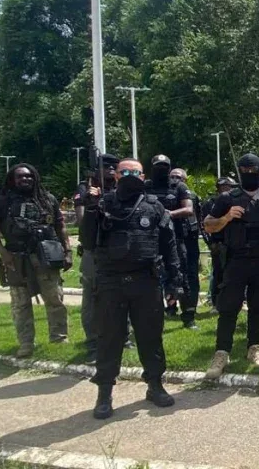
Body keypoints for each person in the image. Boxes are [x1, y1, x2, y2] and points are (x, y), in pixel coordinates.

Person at [79, 158, 183, 419]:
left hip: (145, 282)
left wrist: (174, 281)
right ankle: (104, 393)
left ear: (143, 175)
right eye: (124, 171)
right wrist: (91, 210)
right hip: (111, 282)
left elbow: (169, 245)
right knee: (109, 339)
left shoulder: (154, 206)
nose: (129, 175)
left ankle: (155, 385)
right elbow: (87, 241)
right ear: (115, 175)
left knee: (150, 337)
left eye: (135, 172)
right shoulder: (104, 204)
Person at [202, 154, 259, 376]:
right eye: (245, 170)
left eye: (254, 170)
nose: (250, 174)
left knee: (258, 306)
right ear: (239, 171)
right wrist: (226, 219)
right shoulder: (227, 199)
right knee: (229, 307)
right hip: (236, 260)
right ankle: (221, 353)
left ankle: (254, 348)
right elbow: (208, 225)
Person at [0, 164, 72, 359]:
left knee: (55, 299)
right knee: (21, 304)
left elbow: (60, 226)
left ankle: (59, 337)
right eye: (21, 177)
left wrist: (67, 251)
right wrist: (4, 253)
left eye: (29, 177)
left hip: (47, 257)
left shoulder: (47, 199)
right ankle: (25, 343)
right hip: (16, 259)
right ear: (12, 180)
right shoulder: (2, 201)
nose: (26, 180)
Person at [74, 153, 121, 363]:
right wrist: (93, 202)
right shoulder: (85, 189)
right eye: (106, 166)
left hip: (119, 250)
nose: (110, 170)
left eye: (114, 166)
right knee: (92, 298)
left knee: (123, 295)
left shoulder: (123, 188)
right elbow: (83, 225)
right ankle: (93, 343)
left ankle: (124, 337)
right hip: (94, 250)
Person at [143, 154, 197, 328]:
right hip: (150, 239)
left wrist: (167, 214)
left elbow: (188, 209)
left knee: (181, 276)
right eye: (158, 166)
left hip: (175, 238)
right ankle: (153, 315)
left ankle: (188, 317)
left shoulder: (178, 186)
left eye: (165, 167)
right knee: (149, 277)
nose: (162, 169)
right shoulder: (146, 187)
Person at [169, 168, 203, 324]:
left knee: (190, 274)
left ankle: (190, 308)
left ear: (185, 180)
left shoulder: (192, 197)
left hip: (189, 240)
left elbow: (196, 219)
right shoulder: (165, 195)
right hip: (170, 240)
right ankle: (171, 306)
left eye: (178, 177)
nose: (175, 180)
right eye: (172, 177)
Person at [201, 176, 235, 306]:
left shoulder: (236, 201)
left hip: (233, 242)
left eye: (229, 186)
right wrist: (210, 243)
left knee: (234, 273)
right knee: (218, 273)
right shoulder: (210, 203)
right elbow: (204, 225)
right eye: (223, 187)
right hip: (218, 242)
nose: (226, 189)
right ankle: (215, 302)